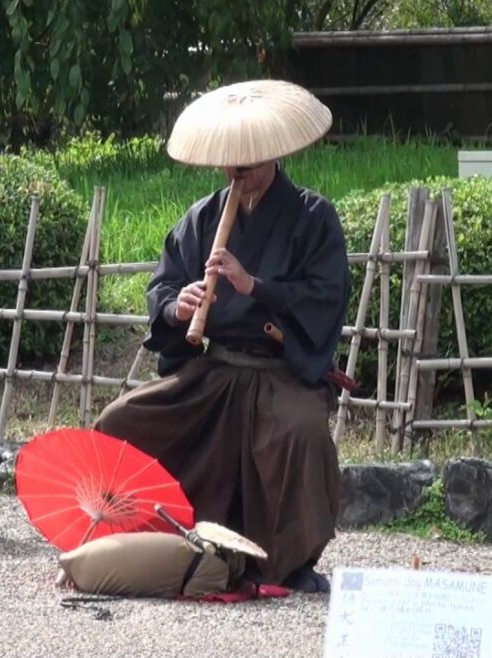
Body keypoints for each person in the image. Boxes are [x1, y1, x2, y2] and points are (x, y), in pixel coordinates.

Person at [93, 154, 352, 593]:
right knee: (123, 419)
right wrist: (179, 306)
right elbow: (164, 283)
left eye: (249, 163)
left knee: (302, 433)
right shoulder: (205, 216)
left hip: (280, 370)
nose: (238, 172)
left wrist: (254, 285)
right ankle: (149, 537)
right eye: (231, 163)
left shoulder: (313, 216)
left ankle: (289, 563)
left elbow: (326, 295)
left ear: (274, 155)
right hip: (217, 368)